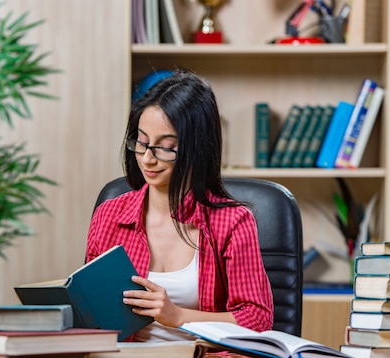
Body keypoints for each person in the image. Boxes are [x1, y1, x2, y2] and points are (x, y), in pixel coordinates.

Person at [86, 70, 273, 342]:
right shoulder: (109, 215)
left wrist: (178, 316)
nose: (148, 159)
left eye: (166, 147)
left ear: (197, 149)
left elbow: (257, 319)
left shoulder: (232, 222)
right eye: (142, 142)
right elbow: (90, 310)